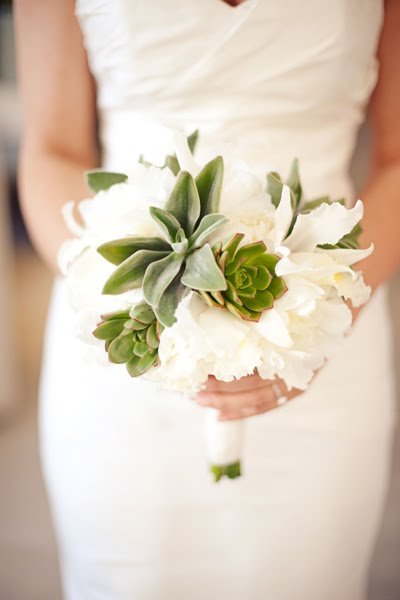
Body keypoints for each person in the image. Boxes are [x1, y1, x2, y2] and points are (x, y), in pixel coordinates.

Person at [14, 1, 400, 598]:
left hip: (324, 336)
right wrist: (132, 305)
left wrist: (319, 315)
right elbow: (53, 149)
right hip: (125, 345)